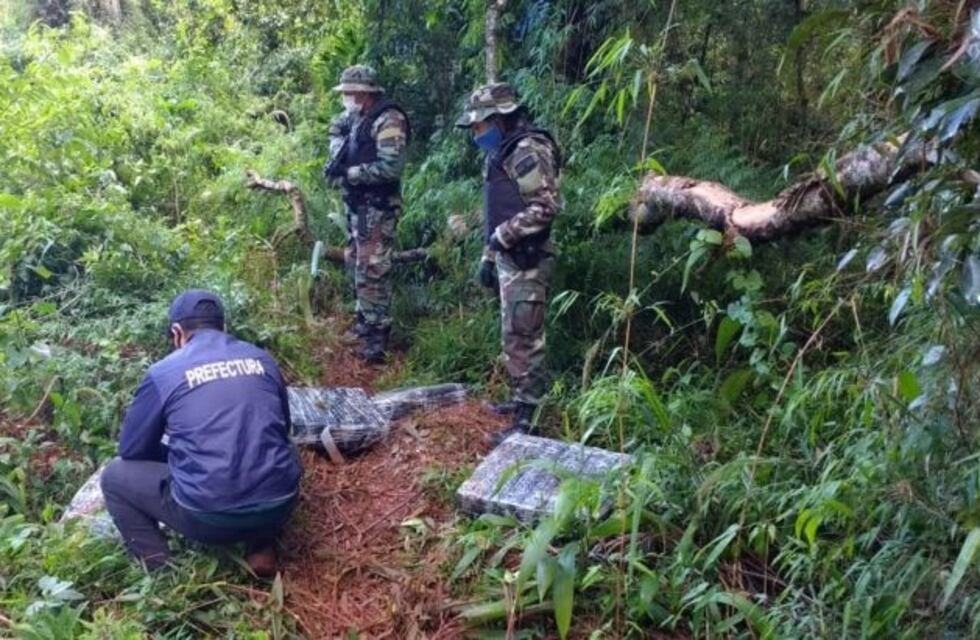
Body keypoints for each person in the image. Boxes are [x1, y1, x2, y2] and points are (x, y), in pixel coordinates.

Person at [100, 290, 302, 577]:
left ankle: (161, 573)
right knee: (278, 448)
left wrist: (176, 452)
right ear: (224, 326)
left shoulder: (163, 372)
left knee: (114, 477)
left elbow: (132, 451)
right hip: (280, 503)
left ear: (177, 332)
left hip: (208, 519)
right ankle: (261, 544)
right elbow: (283, 426)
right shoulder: (262, 359)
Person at [455, 82, 562, 445]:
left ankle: (529, 419)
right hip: (510, 257)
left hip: (528, 259)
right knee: (513, 336)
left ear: (500, 118)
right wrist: (490, 254)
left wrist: (502, 238)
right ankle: (521, 402)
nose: (475, 133)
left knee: (525, 337)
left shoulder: (527, 151)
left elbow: (545, 209)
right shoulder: (501, 152)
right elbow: (497, 211)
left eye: (479, 125)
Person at [323, 64, 411, 364]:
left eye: (350, 92)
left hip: (377, 207)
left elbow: (391, 167)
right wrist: (337, 153)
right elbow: (337, 128)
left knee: (373, 267)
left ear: (365, 93)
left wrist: (351, 172)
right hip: (359, 207)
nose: (346, 98)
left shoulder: (389, 119)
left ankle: (378, 335)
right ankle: (365, 319)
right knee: (356, 260)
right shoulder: (358, 116)